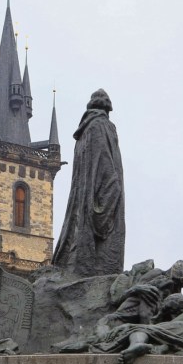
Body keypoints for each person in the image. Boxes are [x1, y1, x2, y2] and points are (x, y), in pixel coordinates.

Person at [52, 89, 125, 277]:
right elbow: (106, 165)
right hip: (99, 194)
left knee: (79, 234)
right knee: (104, 252)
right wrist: (112, 190)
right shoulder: (103, 126)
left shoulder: (84, 133)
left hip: (83, 199)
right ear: (107, 108)